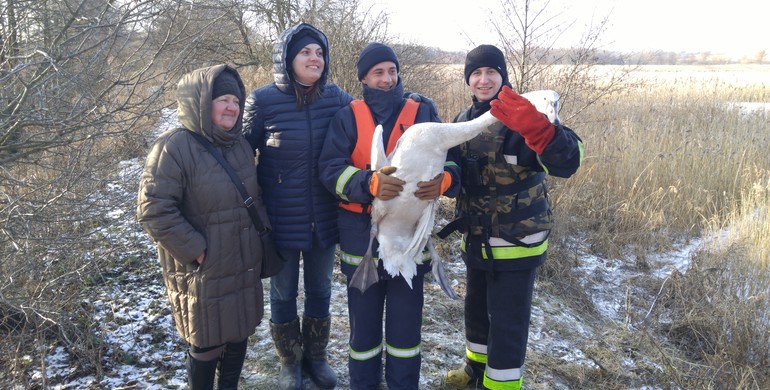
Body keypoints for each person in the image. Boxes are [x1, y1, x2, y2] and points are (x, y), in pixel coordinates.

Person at [440, 45, 584, 390]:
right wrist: (445, 179)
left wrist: (542, 130)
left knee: (507, 322)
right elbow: (451, 169)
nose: (484, 79)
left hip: (517, 242)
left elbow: (569, 161)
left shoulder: (526, 116)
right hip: (476, 238)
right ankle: (475, 369)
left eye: (491, 72)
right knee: (475, 311)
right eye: (476, 73)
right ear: (468, 80)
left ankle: (501, 385)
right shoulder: (463, 121)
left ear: (503, 76)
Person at [318, 42, 461, 390]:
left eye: (391, 71)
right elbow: (329, 171)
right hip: (360, 238)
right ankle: (364, 385)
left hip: (411, 240)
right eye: (377, 73)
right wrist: (368, 183)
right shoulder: (348, 116)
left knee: (405, 330)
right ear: (364, 79)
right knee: (364, 331)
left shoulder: (423, 111)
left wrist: (446, 180)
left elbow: (453, 158)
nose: (387, 79)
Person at [137, 64, 264, 390]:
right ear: (200, 101)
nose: (232, 108)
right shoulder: (174, 147)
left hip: (242, 262)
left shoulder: (239, 145)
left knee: (239, 332)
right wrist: (196, 250)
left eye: (236, 101)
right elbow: (153, 209)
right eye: (223, 99)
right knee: (206, 341)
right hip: (203, 268)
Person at [242, 22, 354, 390]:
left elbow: (368, 125)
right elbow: (240, 155)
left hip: (324, 218)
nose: (314, 58)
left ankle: (316, 358)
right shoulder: (262, 101)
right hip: (280, 219)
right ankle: (290, 362)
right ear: (287, 59)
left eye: (319, 52)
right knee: (283, 292)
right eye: (306, 52)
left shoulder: (337, 98)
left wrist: (412, 101)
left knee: (321, 290)